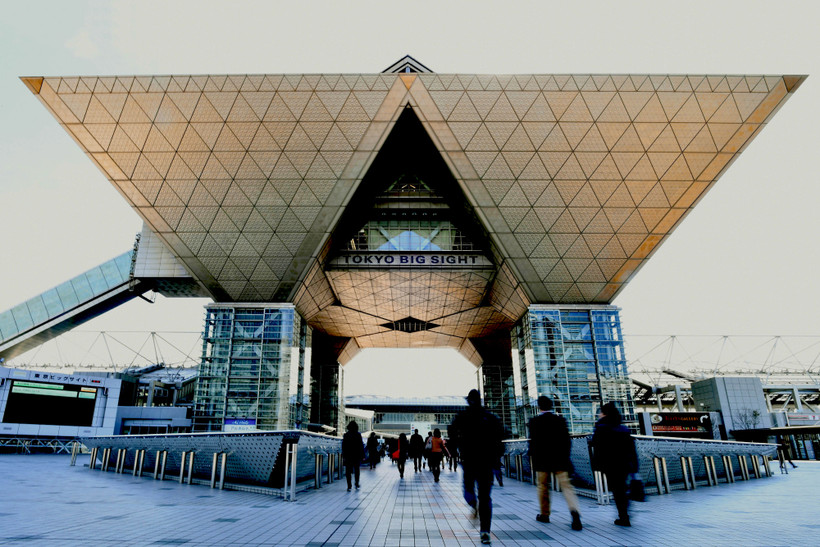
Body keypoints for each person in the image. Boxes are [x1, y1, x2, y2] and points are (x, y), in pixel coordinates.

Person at [449, 389, 504, 545]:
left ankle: (474, 505)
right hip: (487, 463)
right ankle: (485, 531)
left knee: (468, 490)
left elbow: (451, 435)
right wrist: (496, 460)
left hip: (469, 461)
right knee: (485, 497)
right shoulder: (491, 418)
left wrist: (455, 451)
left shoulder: (461, 417)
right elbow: (500, 439)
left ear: (468, 401)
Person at [528, 396, 582, 531]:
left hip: (542, 460)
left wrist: (533, 458)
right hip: (560, 459)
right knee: (567, 487)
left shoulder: (534, 422)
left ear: (539, 407)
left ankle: (545, 514)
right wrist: (566, 457)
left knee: (543, 486)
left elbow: (533, 443)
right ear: (551, 406)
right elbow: (567, 441)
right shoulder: (560, 420)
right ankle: (574, 513)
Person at [590, 402, 638, 527]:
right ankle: (625, 514)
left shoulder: (601, 428)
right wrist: (634, 464)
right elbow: (631, 449)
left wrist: (596, 465)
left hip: (609, 465)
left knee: (617, 491)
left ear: (605, 413)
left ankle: (623, 516)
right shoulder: (623, 429)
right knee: (621, 489)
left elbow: (597, 446)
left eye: (601, 412)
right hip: (624, 464)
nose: (599, 414)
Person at [342, 421, 365, 491]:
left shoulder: (346, 435)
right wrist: (362, 455)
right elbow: (361, 445)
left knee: (348, 470)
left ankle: (349, 485)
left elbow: (344, 446)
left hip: (348, 455)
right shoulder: (358, 435)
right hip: (356, 455)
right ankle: (357, 483)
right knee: (357, 470)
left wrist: (344, 455)